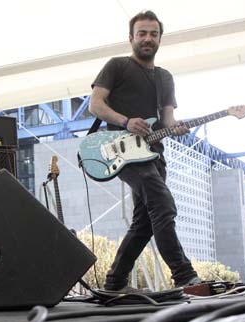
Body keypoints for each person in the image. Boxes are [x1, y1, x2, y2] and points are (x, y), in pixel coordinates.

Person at [88, 10, 200, 290]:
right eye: (142, 33)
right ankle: (185, 276)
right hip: (123, 151)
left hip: (154, 153)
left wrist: (177, 127)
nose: (148, 38)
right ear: (131, 38)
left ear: (160, 39)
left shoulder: (165, 78)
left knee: (145, 223)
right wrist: (125, 121)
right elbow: (95, 105)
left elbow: (168, 119)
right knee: (162, 204)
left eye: (153, 34)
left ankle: (114, 282)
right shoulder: (117, 66)